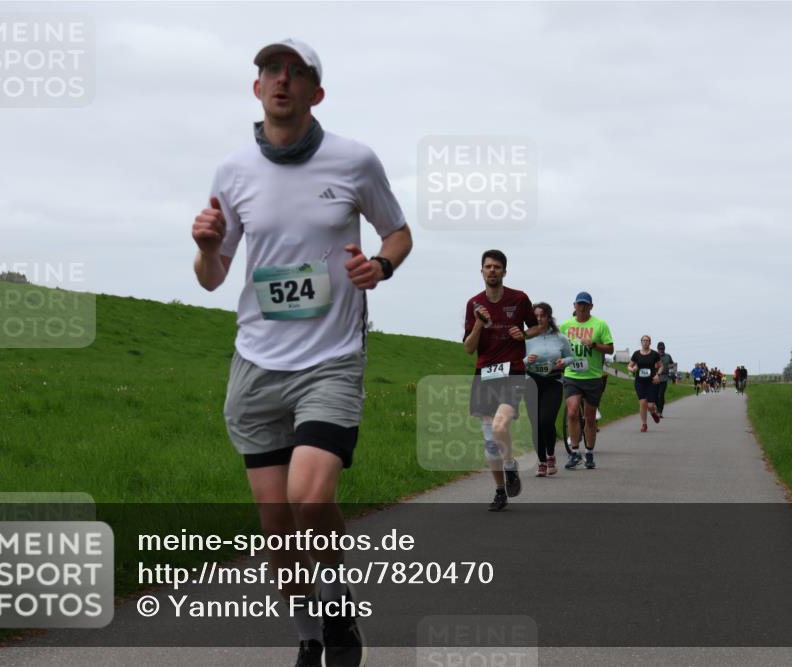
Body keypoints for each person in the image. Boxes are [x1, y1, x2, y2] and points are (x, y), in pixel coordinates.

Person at [192, 38, 412, 667]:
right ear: (257, 88)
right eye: (270, 70)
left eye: (297, 73)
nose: (281, 80)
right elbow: (213, 276)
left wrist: (381, 266)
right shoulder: (233, 172)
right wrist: (207, 248)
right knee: (278, 529)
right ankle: (310, 636)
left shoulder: (354, 161)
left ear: (316, 93)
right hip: (257, 364)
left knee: (311, 499)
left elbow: (397, 231)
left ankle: (339, 611)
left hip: (331, 359)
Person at [464, 250, 544, 510]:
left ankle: (510, 466)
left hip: (513, 372)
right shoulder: (473, 304)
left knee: (500, 427)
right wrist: (478, 324)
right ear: (481, 271)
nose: (492, 271)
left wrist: (524, 334)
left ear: (504, 271)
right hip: (485, 374)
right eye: (488, 267)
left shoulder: (519, 298)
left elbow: (536, 327)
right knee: (490, 442)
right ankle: (500, 490)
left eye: (497, 267)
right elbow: (468, 348)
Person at [560, 292, 614, 470]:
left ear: (591, 306)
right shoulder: (566, 325)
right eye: (579, 304)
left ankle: (589, 453)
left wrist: (594, 345)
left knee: (590, 419)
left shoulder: (600, 325)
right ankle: (575, 453)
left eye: (585, 304)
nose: (582, 307)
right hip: (572, 375)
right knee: (573, 412)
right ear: (574, 305)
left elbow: (610, 348)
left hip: (592, 377)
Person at [524, 302, 574, 476]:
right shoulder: (526, 337)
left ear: (549, 317)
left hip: (553, 381)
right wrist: (526, 361)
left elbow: (571, 357)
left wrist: (563, 362)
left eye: (542, 315)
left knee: (546, 421)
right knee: (536, 424)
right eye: (536, 316)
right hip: (531, 381)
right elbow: (517, 361)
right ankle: (542, 461)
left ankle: (551, 454)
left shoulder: (560, 337)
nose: (539, 319)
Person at [628, 336, 663, 432]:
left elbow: (661, 366)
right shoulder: (636, 354)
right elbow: (629, 366)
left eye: (647, 341)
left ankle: (653, 413)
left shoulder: (654, 354)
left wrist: (658, 375)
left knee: (650, 405)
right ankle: (644, 424)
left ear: (650, 343)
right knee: (643, 403)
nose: (645, 342)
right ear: (641, 342)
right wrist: (632, 369)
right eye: (644, 341)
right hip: (639, 382)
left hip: (651, 382)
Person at [654, 341, 675, 416]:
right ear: (657, 349)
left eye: (662, 349)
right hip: (655, 377)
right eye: (659, 349)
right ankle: (657, 407)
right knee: (655, 395)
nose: (661, 350)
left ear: (664, 348)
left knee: (661, 395)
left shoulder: (668, 356)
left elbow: (672, 363)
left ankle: (660, 411)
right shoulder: (654, 356)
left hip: (664, 378)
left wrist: (670, 366)